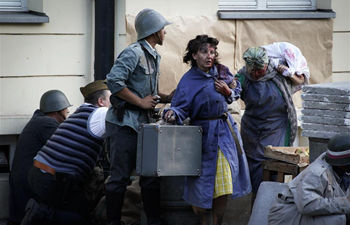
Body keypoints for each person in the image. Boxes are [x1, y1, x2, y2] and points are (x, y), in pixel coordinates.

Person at [164, 34, 251, 225]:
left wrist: (228, 93)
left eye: (212, 52)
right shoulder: (188, 81)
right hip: (202, 139)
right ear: (194, 55)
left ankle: (217, 221)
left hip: (225, 135)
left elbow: (235, 91)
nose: (209, 56)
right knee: (202, 189)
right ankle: (205, 220)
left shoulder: (221, 72)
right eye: (204, 51)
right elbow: (179, 107)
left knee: (224, 185)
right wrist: (171, 114)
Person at [105, 8, 174, 225]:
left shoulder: (153, 55)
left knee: (151, 177)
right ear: (154, 31)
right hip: (125, 124)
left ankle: (153, 221)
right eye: (163, 29)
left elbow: (145, 91)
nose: (165, 32)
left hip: (145, 125)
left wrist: (166, 96)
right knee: (119, 179)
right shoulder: (133, 52)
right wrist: (141, 102)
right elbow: (114, 82)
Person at [21, 80, 111, 225]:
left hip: (40, 173)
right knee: (78, 217)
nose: (113, 104)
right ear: (101, 101)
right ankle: (40, 213)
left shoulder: (79, 113)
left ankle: (41, 212)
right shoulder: (101, 113)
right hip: (53, 179)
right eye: (111, 99)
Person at [235, 44, 309, 199]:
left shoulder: (279, 74)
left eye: (259, 69)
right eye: (252, 70)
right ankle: (257, 207)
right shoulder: (243, 76)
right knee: (254, 171)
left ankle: (272, 206)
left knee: (274, 164)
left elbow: (300, 80)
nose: (255, 73)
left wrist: (289, 73)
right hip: (252, 130)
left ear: (267, 64)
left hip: (277, 129)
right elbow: (233, 89)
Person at [8, 90, 71, 225]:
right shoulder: (47, 124)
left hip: (24, 178)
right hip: (30, 180)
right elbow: (65, 148)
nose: (67, 113)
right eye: (66, 110)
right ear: (57, 111)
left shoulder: (39, 121)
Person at [268, 133, 350, 225]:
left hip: (303, 214)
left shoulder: (341, 170)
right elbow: (307, 205)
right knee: (341, 219)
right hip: (287, 217)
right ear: (344, 163)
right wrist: (344, 203)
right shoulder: (316, 173)